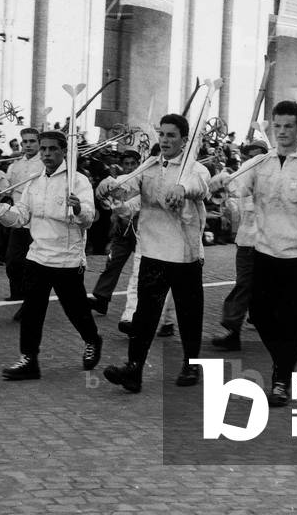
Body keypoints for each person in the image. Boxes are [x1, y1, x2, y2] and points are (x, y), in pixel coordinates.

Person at [211, 101, 297, 406]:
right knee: (262, 315)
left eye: (288, 126)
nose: (282, 132)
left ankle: (281, 379)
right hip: (264, 250)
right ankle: (283, 359)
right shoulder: (261, 162)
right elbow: (236, 187)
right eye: (277, 126)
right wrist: (223, 182)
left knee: (290, 318)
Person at [0, 130, 102, 380]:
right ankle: (29, 360)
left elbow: (87, 220)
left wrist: (77, 207)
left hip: (67, 259)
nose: (47, 154)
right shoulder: (34, 181)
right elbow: (20, 217)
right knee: (32, 311)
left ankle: (92, 340)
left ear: (64, 151)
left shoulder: (79, 181)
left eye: (53, 149)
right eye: (43, 149)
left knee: (75, 310)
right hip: (38, 256)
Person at [99, 113, 210, 393]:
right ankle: (134, 369)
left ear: (185, 140)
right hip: (152, 251)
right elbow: (133, 189)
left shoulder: (194, 168)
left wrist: (181, 188)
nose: (165, 140)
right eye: (162, 134)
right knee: (144, 315)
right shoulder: (149, 165)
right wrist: (112, 186)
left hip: (185, 255)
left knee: (188, 313)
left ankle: (191, 363)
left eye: (172, 135)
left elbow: (201, 188)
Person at [211, 140, 268, 351]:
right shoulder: (241, 178)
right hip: (246, 242)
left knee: (265, 288)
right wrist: (220, 181)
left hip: (269, 244)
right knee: (244, 284)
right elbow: (223, 192)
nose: (251, 161)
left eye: (256, 157)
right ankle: (232, 329)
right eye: (247, 157)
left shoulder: (270, 179)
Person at [0, 128, 44, 308]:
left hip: (38, 220)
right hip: (18, 219)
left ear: (39, 143)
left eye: (32, 141)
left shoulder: (45, 164)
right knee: (13, 260)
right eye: (25, 142)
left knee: (33, 264)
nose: (28, 145)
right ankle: (17, 292)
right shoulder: (15, 166)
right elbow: (7, 188)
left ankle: (29, 302)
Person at [88, 150, 142, 316]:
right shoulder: (117, 181)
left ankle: (137, 308)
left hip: (140, 229)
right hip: (122, 229)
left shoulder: (145, 180)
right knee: (112, 263)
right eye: (126, 164)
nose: (130, 167)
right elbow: (109, 203)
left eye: (133, 164)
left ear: (139, 164)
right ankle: (102, 298)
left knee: (140, 270)